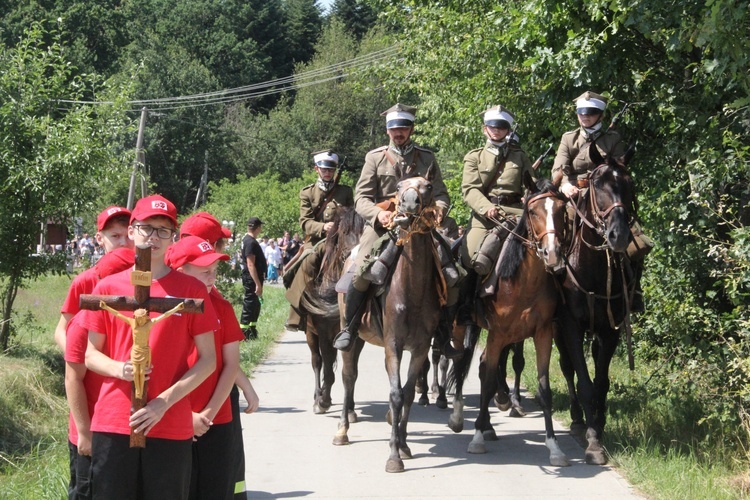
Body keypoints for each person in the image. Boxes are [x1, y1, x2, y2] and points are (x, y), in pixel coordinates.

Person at [81, 194, 218, 499]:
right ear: (131, 231)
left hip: (169, 421)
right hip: (115, 421)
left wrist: (163, 402)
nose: (153, 237)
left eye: (163, 230)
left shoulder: (191, 291)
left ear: (173, 236)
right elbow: (90, 355)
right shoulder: (108, 288)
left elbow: (208, 360)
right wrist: (120, 369)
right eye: (146, 227)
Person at [332, 103, 459, 357]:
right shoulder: (375, 157)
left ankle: (444, 334)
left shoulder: (426, 158)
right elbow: (362, 198)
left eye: (403, 127)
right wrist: (379, 213)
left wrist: (440, 209)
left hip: (422, 228)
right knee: (360, 272)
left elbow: (442, 193)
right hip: (383, 227)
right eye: (394, 128)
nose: (398, 132)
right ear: (387, 130)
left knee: (453, 272)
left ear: (411, 129)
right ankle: (351, 326)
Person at [179, 212, 260, 499]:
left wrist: (244, 386)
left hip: (214, 404)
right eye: (220, 245)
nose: (223, 251)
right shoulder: (172, 301)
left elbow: (226, 358)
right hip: (181, 412)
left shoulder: (217, 302)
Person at [164, 236, 247, 500]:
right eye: (204, 272)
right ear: (180, 271)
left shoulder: (222, 307)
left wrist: (208, 415)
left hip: (215, 419)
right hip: (170, 418)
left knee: (216, 489)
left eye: (214, 271)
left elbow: (231, 364)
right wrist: (184, 416)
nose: (212, 278)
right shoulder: (162, 311)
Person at [552, 90, 650, 312]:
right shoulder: (569, 138)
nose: (585, 117)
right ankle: (553, 287)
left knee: (637, 239)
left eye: (591, 113)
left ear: (601, 115)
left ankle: (634, 291)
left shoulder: (612, 139)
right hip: (576, 195)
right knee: (556, 233)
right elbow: (559, 167)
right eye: (582, 113)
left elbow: (619, 169)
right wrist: (566, 184)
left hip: (605, 196)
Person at [64, 248, 136, 500]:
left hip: (120, 429)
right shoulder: (84, 323)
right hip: (92, 430)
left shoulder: (134, 321)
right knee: (88, 491)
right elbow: (73, 378)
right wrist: (84, 432)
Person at [458, 105, 535, 323]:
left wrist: (529, 197)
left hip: (516, 214)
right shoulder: (474, 157)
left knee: (544, 250)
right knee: (469, 256)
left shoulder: (520, 156)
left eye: (501, 127)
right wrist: (485, 207)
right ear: (485, 129)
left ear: (508, 130)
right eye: (492, 126)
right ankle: (466, 306)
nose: (497, 130)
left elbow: (531, 184)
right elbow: (469, 189)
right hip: (485, 216)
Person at [284, 151, 354, 332]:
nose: (328, 173)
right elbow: (305, 222)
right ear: (317, 169)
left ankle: (361, 312)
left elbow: (352, 216)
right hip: (317, 240)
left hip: (342, 240)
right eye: (324, 169)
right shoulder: (308, 193)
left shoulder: (345, 191)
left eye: (331, 169)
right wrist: (322, 227)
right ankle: (295, 314)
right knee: (307, 263)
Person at [55, 207, 134, 351]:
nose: (124, 242)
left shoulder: (149, 278)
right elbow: (61, 331)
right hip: (93, 368)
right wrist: (78, 360)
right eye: (115, 236)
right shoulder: (85, 280)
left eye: (129, 235)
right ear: (99, 239)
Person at [239, 217, 267, 340]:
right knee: (250, 304)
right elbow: (250, 264)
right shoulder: (250, 242)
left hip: (253, 277)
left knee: (255, 304)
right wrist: (257, 284)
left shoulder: (247, 240)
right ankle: (244, 332)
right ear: (258, 227)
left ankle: (251, 330)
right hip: (252, 278)